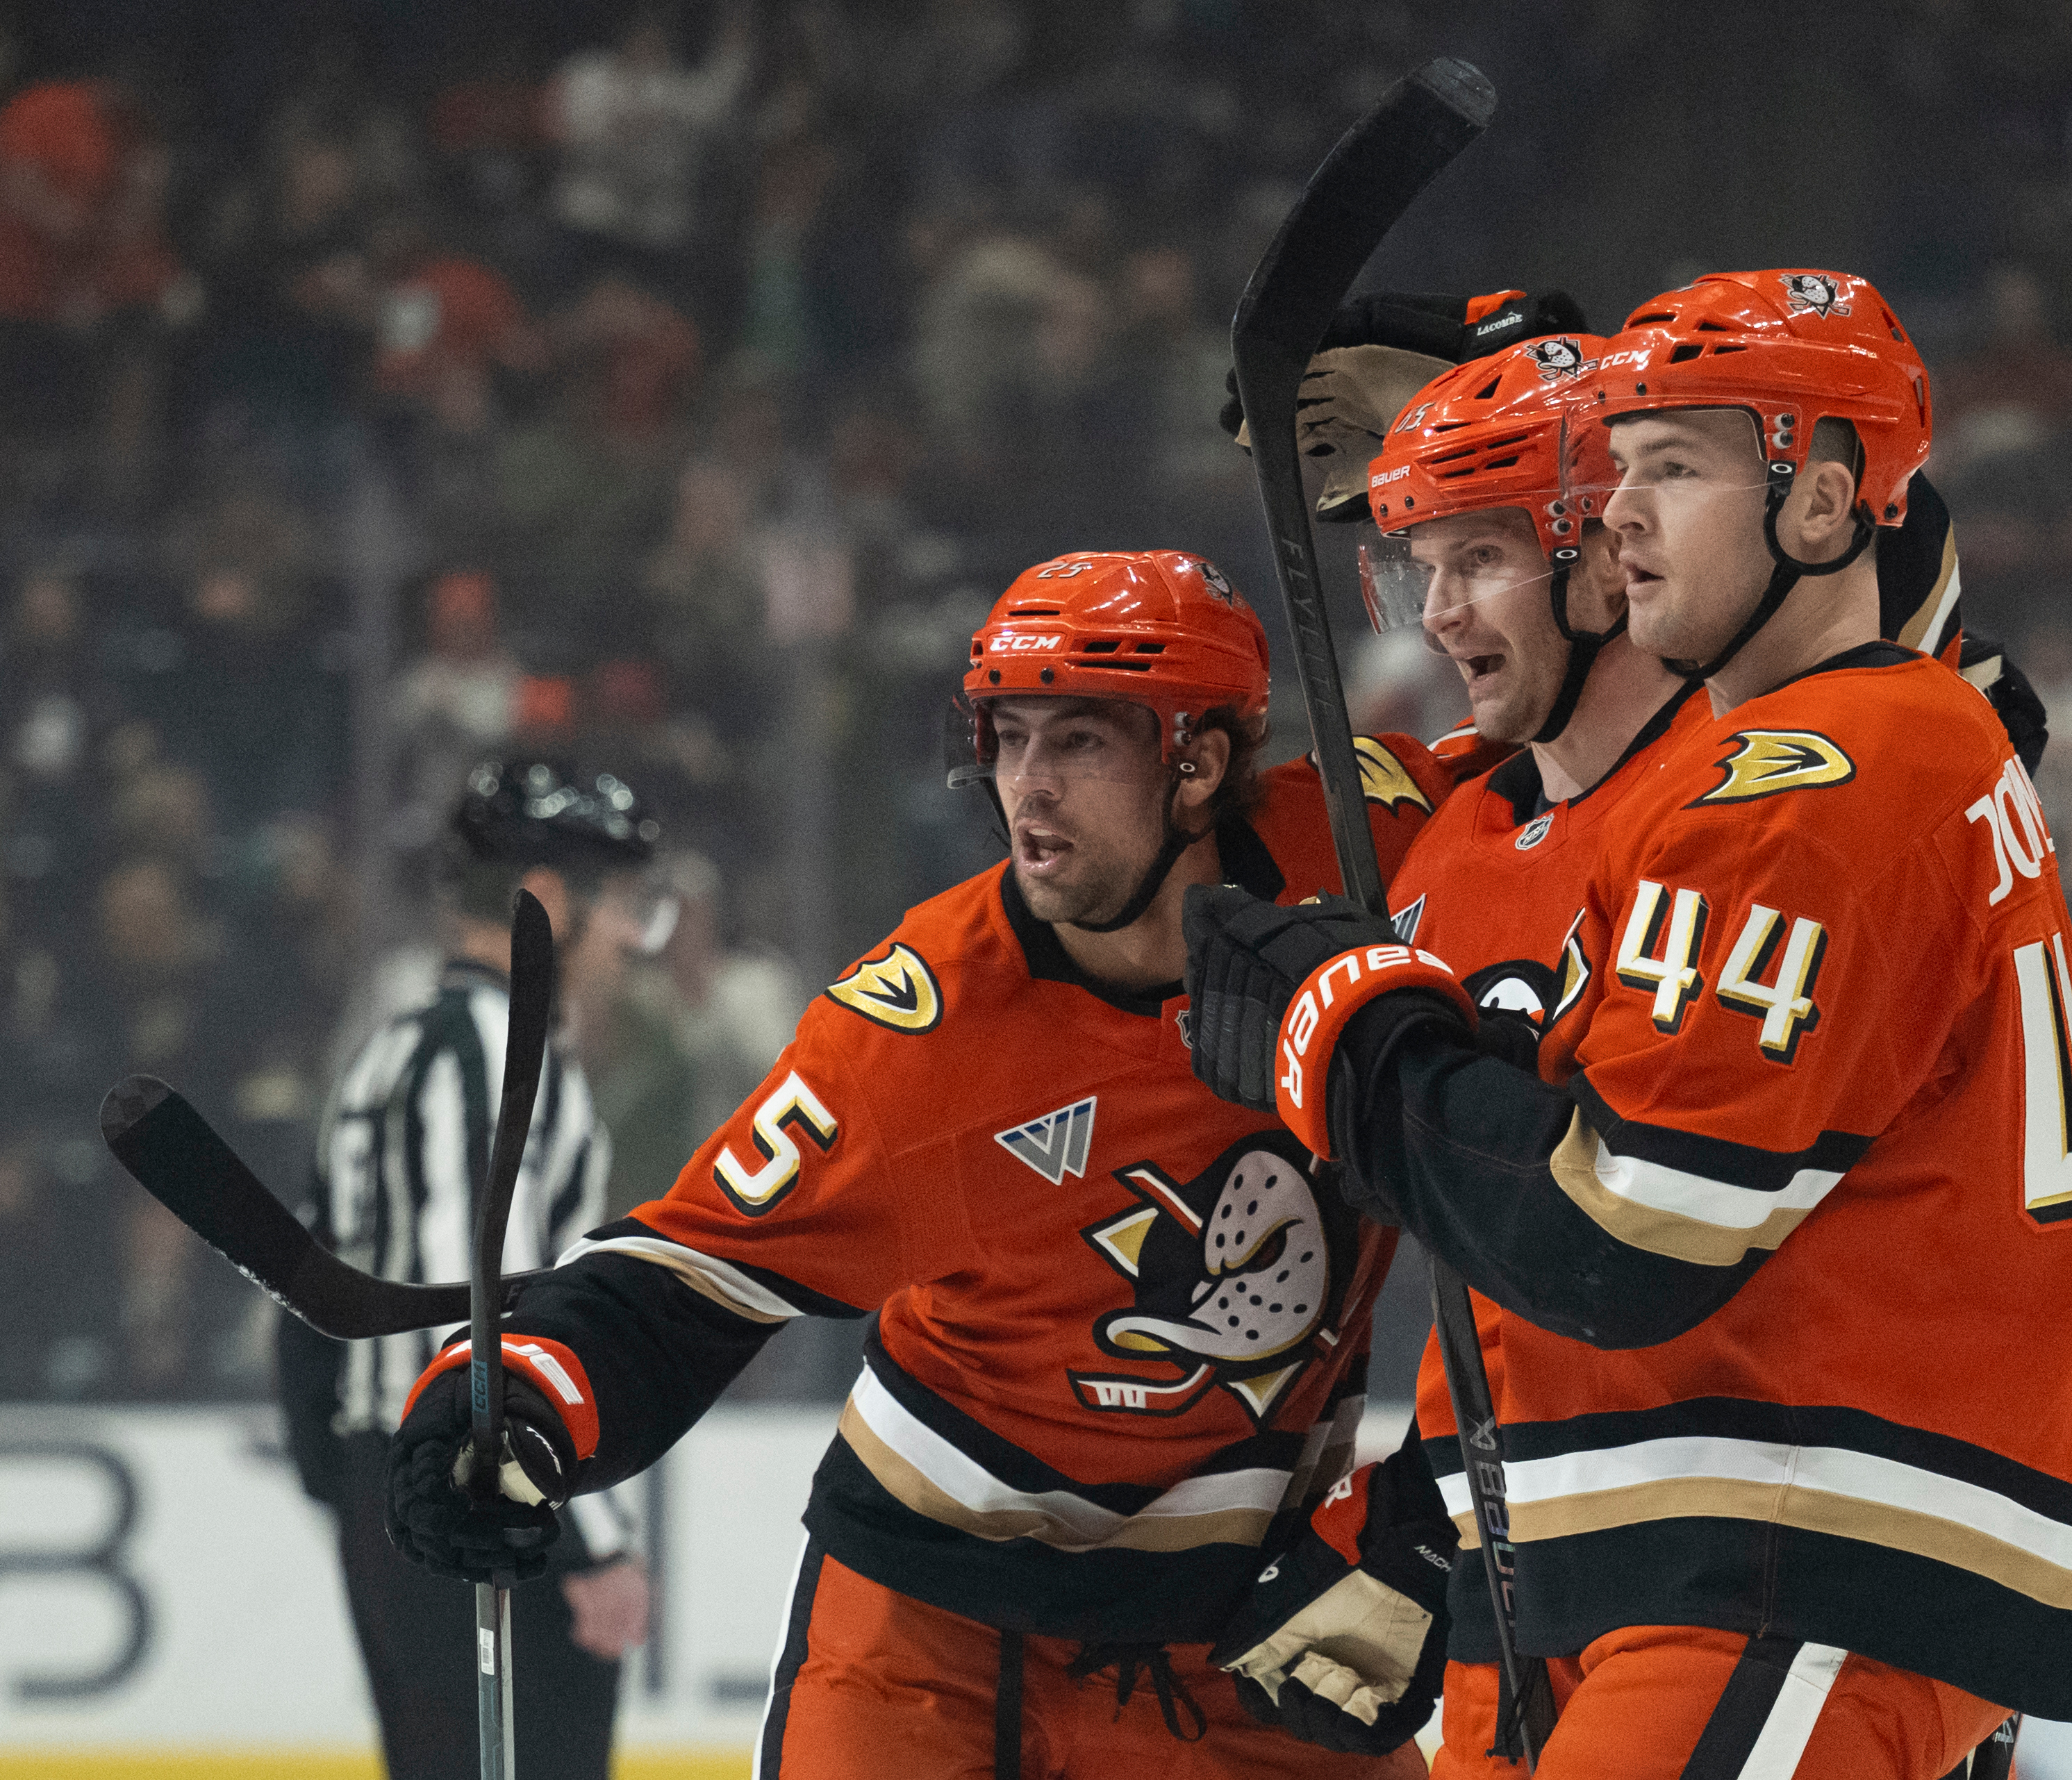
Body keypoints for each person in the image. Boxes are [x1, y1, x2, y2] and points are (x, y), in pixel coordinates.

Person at [1182, 272, 2072, 1779]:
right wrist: (1428, 1524)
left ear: (1827, 506)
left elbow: (1619, 1229)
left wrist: (1351, 1038)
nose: (1624, 513)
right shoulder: (1855, 747)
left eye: (1667, 469)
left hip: (1800, 1533)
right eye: (1612, 466)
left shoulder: (1816, 777)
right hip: (1680, 1539)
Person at [378, 551, 1456, 1777]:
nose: (1026, 791)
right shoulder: (929, 1026)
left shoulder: (1381, 865)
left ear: (1199, 764)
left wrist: (1428, 1522)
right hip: (930, 1638)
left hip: (1246, 1630)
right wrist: (518, 1401)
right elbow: (693, 1272)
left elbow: (1582, 790)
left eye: (1081, 744)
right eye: (1008, 738)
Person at [276, 758, 658, 1780]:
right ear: (553, 899)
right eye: (623, 904)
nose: (633, 938)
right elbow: (490, 1313)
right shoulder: (496, 1055)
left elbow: (301, 1306)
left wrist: (367, 1495)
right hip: (488, 1494)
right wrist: (594, 1541)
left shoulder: (390, 1047)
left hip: (399, 1484)